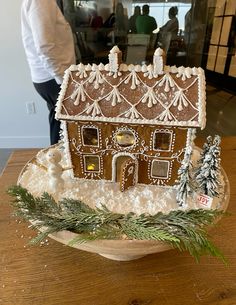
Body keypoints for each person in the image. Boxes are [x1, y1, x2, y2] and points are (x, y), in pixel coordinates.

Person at [21, 0, 76, 145]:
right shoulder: (41, 1)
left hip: (49, 76)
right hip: (53, 77)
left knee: (59, 121)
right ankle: (60, 163)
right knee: (64, 126)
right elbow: (45, 46)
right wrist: (62, 79)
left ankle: (56, 163)